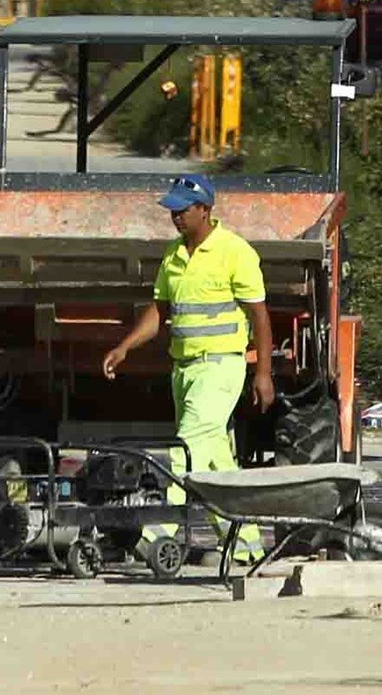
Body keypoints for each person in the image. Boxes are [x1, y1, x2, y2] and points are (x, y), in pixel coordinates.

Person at [102, 174, 271, 564]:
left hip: (221, 368)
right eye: (172, 209)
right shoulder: (174, 256)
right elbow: (160, 311)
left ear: (205, 210)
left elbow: (259, 316)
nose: (175, 216)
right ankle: (246, 547)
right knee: (216, 461)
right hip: (184, 369)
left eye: (183, 209)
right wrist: (125, 347)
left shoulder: (235, 252)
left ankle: (156, 532)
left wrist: (263, 373)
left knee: (187, 446)